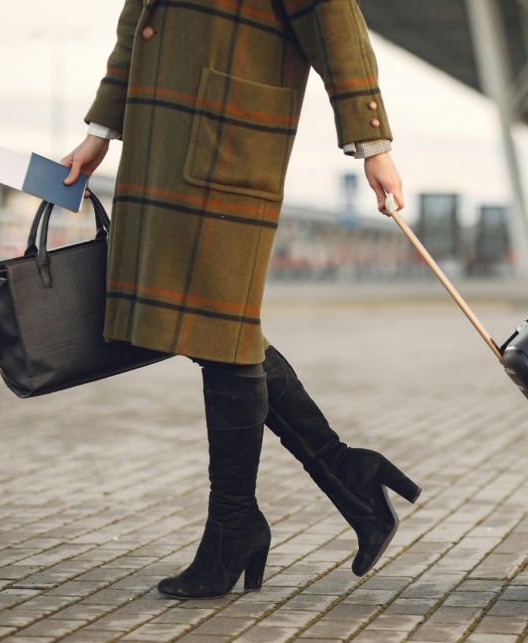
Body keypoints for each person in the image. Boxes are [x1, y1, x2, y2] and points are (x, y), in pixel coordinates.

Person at [61, 0, 420, 600]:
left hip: (227, 135)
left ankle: (239, 523)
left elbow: (334, 19)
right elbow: (138, 23)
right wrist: (99, 131)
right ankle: (343, 478)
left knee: (221, 331)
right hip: (161, 142)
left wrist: (372, 140)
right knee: (218, 329)